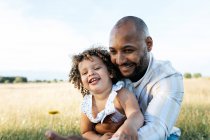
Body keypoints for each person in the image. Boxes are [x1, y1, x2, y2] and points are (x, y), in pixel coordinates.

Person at [107, 16, 184, 140]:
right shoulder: (110, 72)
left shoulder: (168, 78)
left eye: (128, 50)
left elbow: (155, 130)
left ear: (148, 44)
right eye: (113, 52)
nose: (119, 61)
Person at [45, 47, 144, 140]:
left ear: (110, 72)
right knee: (75, 138)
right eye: (84, 73)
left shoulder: (120, 94)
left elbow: (136, 114)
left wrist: (130, 125)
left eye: (96, 68)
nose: (90, 73)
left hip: (123, 137)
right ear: (81, 82)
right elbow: (86, 132)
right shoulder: (87, 105)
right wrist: (99, 139)